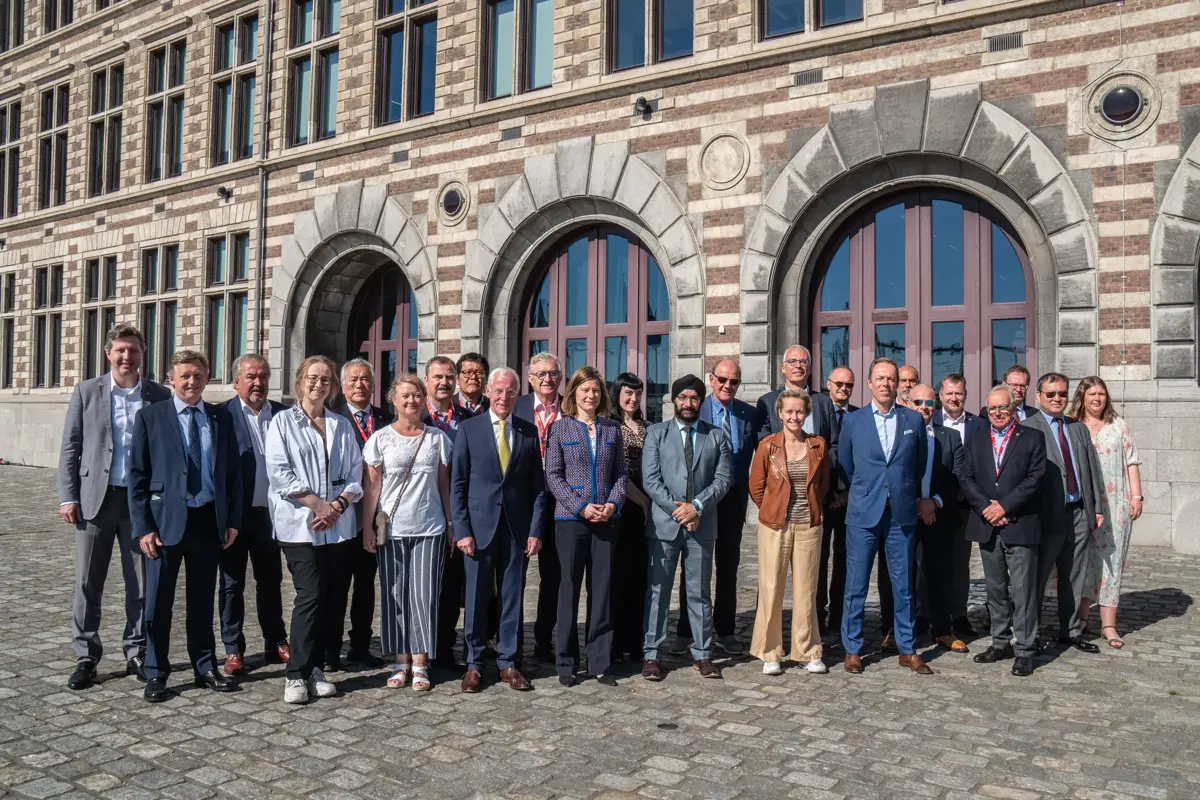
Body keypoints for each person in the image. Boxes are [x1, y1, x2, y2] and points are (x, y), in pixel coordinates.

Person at [59, 325, 171, 690]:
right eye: (121, 351)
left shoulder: (159, 395)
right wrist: (68, 496)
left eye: (134, 351)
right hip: (96, 500)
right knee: (88, 583)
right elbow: (71, 447)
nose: (127, 357)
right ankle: (86, 655)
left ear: (143, 354)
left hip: (140, 504)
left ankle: (136, 650)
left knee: (139, 583)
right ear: (108, 354)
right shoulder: (87, 391)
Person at [128, 350, 242, 702]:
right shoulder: (150, 417)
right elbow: (137, 477)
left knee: (201, 600)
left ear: (207, 377)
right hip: (164, 525)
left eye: (197, 375)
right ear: (171, 379)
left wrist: (233, 521)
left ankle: (205, 666)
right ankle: (156, 671)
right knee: (158, 602)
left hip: (208, 521)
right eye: (184, 376)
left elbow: (233, 476)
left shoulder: (221, 419)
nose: (191, 382)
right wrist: (143, 527)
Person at [266, 355, 363, 704]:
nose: (318, 384)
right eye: (312, 378)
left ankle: (317, 668)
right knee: (309, 594)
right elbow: (279, 472)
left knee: (332, 596)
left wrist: (336, 506)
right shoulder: (281, 423)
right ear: (299, 381)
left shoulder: (340, 424)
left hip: (337, 526)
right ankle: (296, 674)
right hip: (300, 525)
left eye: (325, 379)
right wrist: (316, 504)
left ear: (332, 386)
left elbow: (355, 472)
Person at [450, 367, 549, 692]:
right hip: (478, 530)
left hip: (516, 530)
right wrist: (462, 529)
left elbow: (537, 488)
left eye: (510, 392)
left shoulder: (528, 431)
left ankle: (508, 662)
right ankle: (474, 664)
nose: (504, 397)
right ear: (489, 392)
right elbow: (459, 484)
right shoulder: (469, 429)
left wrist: (536, 531)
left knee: (512, 597)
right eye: (499, 391)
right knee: (476, 598)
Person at [837, 357, 931, 675]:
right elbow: (846, 466)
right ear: (869, 383)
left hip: (901, 514)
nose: (886, 384)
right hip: (864, 512)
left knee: (903, 585)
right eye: (880, 378)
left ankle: (907, 647)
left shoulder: (913, 421)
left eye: (891, 379)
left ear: (898, 384)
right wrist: (867, 490)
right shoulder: (853, 421)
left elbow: (918, 466)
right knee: (856, 584)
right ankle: (853, 648)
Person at [361, 374, 454, 692]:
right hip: (393, 531)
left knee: (424, 598)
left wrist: (451, 522)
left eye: (416, 395)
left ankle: (421, 663)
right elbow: (372, 488)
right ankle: (400, 662)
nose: (411, 401)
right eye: (405, 396)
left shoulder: (438, 439)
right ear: (394, 400)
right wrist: (367, 528)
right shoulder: (380, 439)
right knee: (395, 597)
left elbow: (444, 485)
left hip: (430, 528)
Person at [641, 375, 733, 681]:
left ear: (701, 402)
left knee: (699, 593)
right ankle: (652, 654)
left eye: (694, 399)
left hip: (702, 525)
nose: (688, 404)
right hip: (665, 526)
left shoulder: (716, 436)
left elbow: (723, 479)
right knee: (658, 592)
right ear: (674, 400)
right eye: (683, 398)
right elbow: (651, 480)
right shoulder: (656, 433)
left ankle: (703, 654)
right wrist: (679, 510)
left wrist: (698, 507)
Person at [544, 366, 627, 686]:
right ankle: (565, 662)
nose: (591, 396)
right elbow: (553, 475)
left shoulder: (611, 430)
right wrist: (580, 506)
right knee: (568, 591)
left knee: (602, 591)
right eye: (584, 390)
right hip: (570, 522)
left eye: (595, 391)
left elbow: (620, 474)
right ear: (574, 394)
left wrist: (613, 504)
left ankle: (599, 662)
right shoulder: (560, 429)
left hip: (606, 521)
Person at [673, 359, 756, 656]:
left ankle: (725, 629)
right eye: (722, 379)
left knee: (729, 567)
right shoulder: (696, 407)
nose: (727, 386)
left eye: (734, 381)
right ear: (711, 379)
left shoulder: (748, 414)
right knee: (693, 566)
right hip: (700, 499)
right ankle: (685, 630)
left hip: (732, 501)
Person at [962, 386, 1047, 677]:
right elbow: (966, 477)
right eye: (992, 409)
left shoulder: (1033, 438)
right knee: (995, 589)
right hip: (987, 524)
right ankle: (1000, 642)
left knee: (1022, 590)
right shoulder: (975, 439)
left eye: (1003, 408)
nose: (998, 413)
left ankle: (1025, 648)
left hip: (1019, 523)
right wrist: (987, 508)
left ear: (1014, 409)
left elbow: (1036, 479)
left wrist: (1005, 507)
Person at [747, 389, 830, 675]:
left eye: (799, 412)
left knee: (807, 590)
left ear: (806, 414)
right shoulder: (768, 446)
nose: (794, 417)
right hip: (774, 526)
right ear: (779, 414)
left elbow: (823, 483)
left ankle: (807, 650)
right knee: (771, 588)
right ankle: (770, 651)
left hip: (809, 525)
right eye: (789, 412)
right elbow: (756, 486)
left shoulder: (818, 445)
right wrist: (772, 508)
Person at [1023, 372, 1105, 654]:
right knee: (1037, 577)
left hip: (1079, 512)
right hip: (1046, 517)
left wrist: (1097, 508)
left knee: (1074, 576)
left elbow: (1092, 471)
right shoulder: (1027, 427)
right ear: (1039, 396)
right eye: (1051, 394)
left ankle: (1069, 632)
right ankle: (1029, 635)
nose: (1058, 398)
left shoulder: (1077, 428)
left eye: (1062, 394)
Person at [219, 354, 289, 677]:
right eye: (250, 377)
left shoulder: (284, 415)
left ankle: (276, 642)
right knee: (232, 585)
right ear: (237, 382)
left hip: (271, 515)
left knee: (271, 582)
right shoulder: (222, 416)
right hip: (237, 517)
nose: (258, 382)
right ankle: (233, 648)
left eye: (263, 376)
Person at [1069, 376, 1143, 649]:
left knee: (1111, 563)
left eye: (1101, 394)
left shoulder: (1118, 426)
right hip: (1082, 506)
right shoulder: (1072, 426)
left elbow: (1132, 461)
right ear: (1082, 398)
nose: (1097, 399)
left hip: (1115, 506)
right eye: (1092, 394)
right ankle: (1082, 619)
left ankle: (1108, 625)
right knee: (1083, 562)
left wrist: (1136, 496)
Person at [328, 358, 392, 669]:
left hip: (376, 518)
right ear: (342, 386)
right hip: (342, 516)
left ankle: (361, 646)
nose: (359, 385)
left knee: (367, 586)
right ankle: (330, 649)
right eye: (353, 380)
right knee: (337, 586)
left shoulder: (386, 420)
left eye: (365, 379)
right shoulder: (332, 419)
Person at [422, 356, 476, 670]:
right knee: (424, 586)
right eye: (438, 377)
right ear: (426, 381)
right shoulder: (411, 418)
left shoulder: (469, 419)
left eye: (449, 377)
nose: (444, 382)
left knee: (452, 585)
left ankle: (443, 649)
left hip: (460, 515)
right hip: (423, 513)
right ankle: (420, 650)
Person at [908, 383, 968, 653]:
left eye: (929, 403)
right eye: (918, 402)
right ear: (908, 404)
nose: (924, 407)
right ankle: (900, 630)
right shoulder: (900, 434)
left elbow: (958, 477)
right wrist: (917, 505)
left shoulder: (950, 436)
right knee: (903, 575)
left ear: (937, 405)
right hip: (907, 515)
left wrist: (933, 502)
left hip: (939, 516)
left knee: (940, 573)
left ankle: (943, 629)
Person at [514, 351, 564, 662]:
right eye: (541, 374)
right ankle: (511, 643)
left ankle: (544, 640)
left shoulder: (569, 409)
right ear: (531, 379)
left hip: (560, 502)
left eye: (553, 373)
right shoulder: (516, 408)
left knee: (554, 577)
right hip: (522, 502)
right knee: (513, 576)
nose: (547, 379)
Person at [933, 373, 988, 637]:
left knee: (959, 563)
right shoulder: (928, 419)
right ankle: (925, 613)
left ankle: (959, 614)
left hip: (964, 506)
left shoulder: (979, 425)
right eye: (949, 393)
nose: (954, 398)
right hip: (933, 504)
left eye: (959, 393)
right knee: (925, 561)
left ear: (966, 395)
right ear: (940, 395)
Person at [609, 372, 649, 663]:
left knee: (640, 578)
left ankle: (636, 642)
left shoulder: (649, 427)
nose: (633, 399)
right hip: (619, 508)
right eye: (628, 394)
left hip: (645, 514)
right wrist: (641, 500)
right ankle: (613, 643)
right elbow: (616, 472)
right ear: (617, 394)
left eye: (637, 394)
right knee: (617, 578)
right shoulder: (609, 427)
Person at [818, 366, 857, 636]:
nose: (844, 389)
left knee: (845, 561)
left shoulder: (859, 416)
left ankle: (839, 616)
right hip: (820, 500)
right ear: (828, 384)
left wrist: (846, 492)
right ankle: (817, 615)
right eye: (839, 384)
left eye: (849, 385)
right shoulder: (816, 412)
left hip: (850, 502)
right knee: (818, 561)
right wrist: (828, 492)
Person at [755, 345, 835, 441]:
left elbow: (834, 443)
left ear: (809, 369)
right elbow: (762, 442)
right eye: (792, 361)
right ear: (783, 368)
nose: (798, 366)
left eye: (803, 362)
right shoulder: (767, 402)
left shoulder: (825, 402)